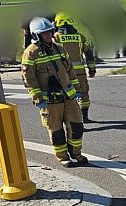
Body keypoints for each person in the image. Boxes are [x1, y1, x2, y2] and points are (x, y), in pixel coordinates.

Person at [21, 17, 87, 168]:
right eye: (44, 33)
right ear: (36, 35)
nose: (48, 35)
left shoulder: (59, 48)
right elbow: (28, 77)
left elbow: (70, 70)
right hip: (49, 100)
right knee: (56, 131)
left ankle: (76, 153)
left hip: (68, 96)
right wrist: (38, 98)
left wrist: (76, 89)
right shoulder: (31, 53)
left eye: (49, 32)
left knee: (77, 125)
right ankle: (63, 157)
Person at [54, 12, 97, 123]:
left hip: (63, 73)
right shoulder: (80, 37)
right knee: (83, 93)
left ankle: (71, 119)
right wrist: (92, 69)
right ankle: (85, 117)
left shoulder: (56, 38)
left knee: (67, 96)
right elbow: (89, 54)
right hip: (80, 72)